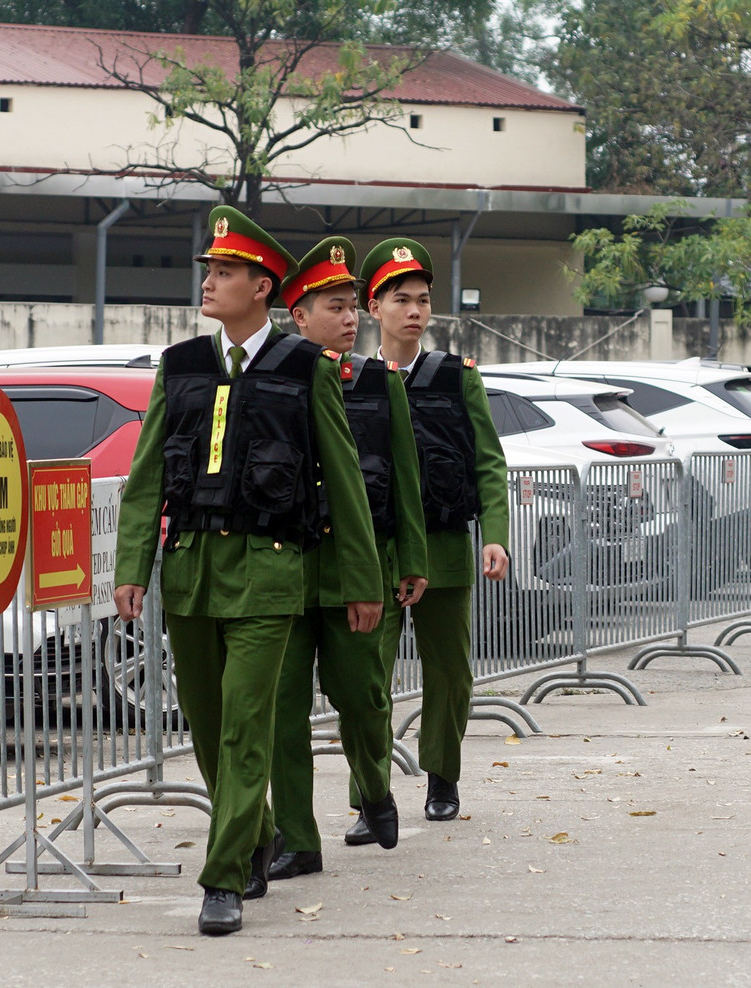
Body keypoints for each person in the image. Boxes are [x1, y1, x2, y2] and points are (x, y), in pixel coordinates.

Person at [113, 206, 382, 936]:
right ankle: (255, 831)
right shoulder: (181, 367)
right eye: (208, 270)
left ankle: (223, 876)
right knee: (204, 725)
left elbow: (344, 483)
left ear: (262, 287)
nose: (208, 281)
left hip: (269, 574)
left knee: (244, 730)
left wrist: (362, 581)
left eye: (223, 272)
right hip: (192, 570)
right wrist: (133, 563)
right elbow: (144, 481)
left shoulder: (305, 369)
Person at [266, 237, 430, 881]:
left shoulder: (375, 382)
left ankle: (374, 789)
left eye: (353, 306)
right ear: (298, 315)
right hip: (287, 568)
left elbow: (405, 477)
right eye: (335, 307)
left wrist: (409, 559)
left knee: (363, 695)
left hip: (356, 568)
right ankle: (298, 839)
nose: (350, 317)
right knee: (281, 709)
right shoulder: (275, 378)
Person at [357, 237, 510, 824]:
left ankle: (442, 779)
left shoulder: (455, 377)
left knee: (449, 672)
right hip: (377, 551)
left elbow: (487, 462)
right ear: (375, 307)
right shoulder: (352, 376)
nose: (414, 310)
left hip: (443, 545)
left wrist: (493, 533)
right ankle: (370, 798)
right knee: (367, 676)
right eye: (401, 299)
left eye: (423, 299)